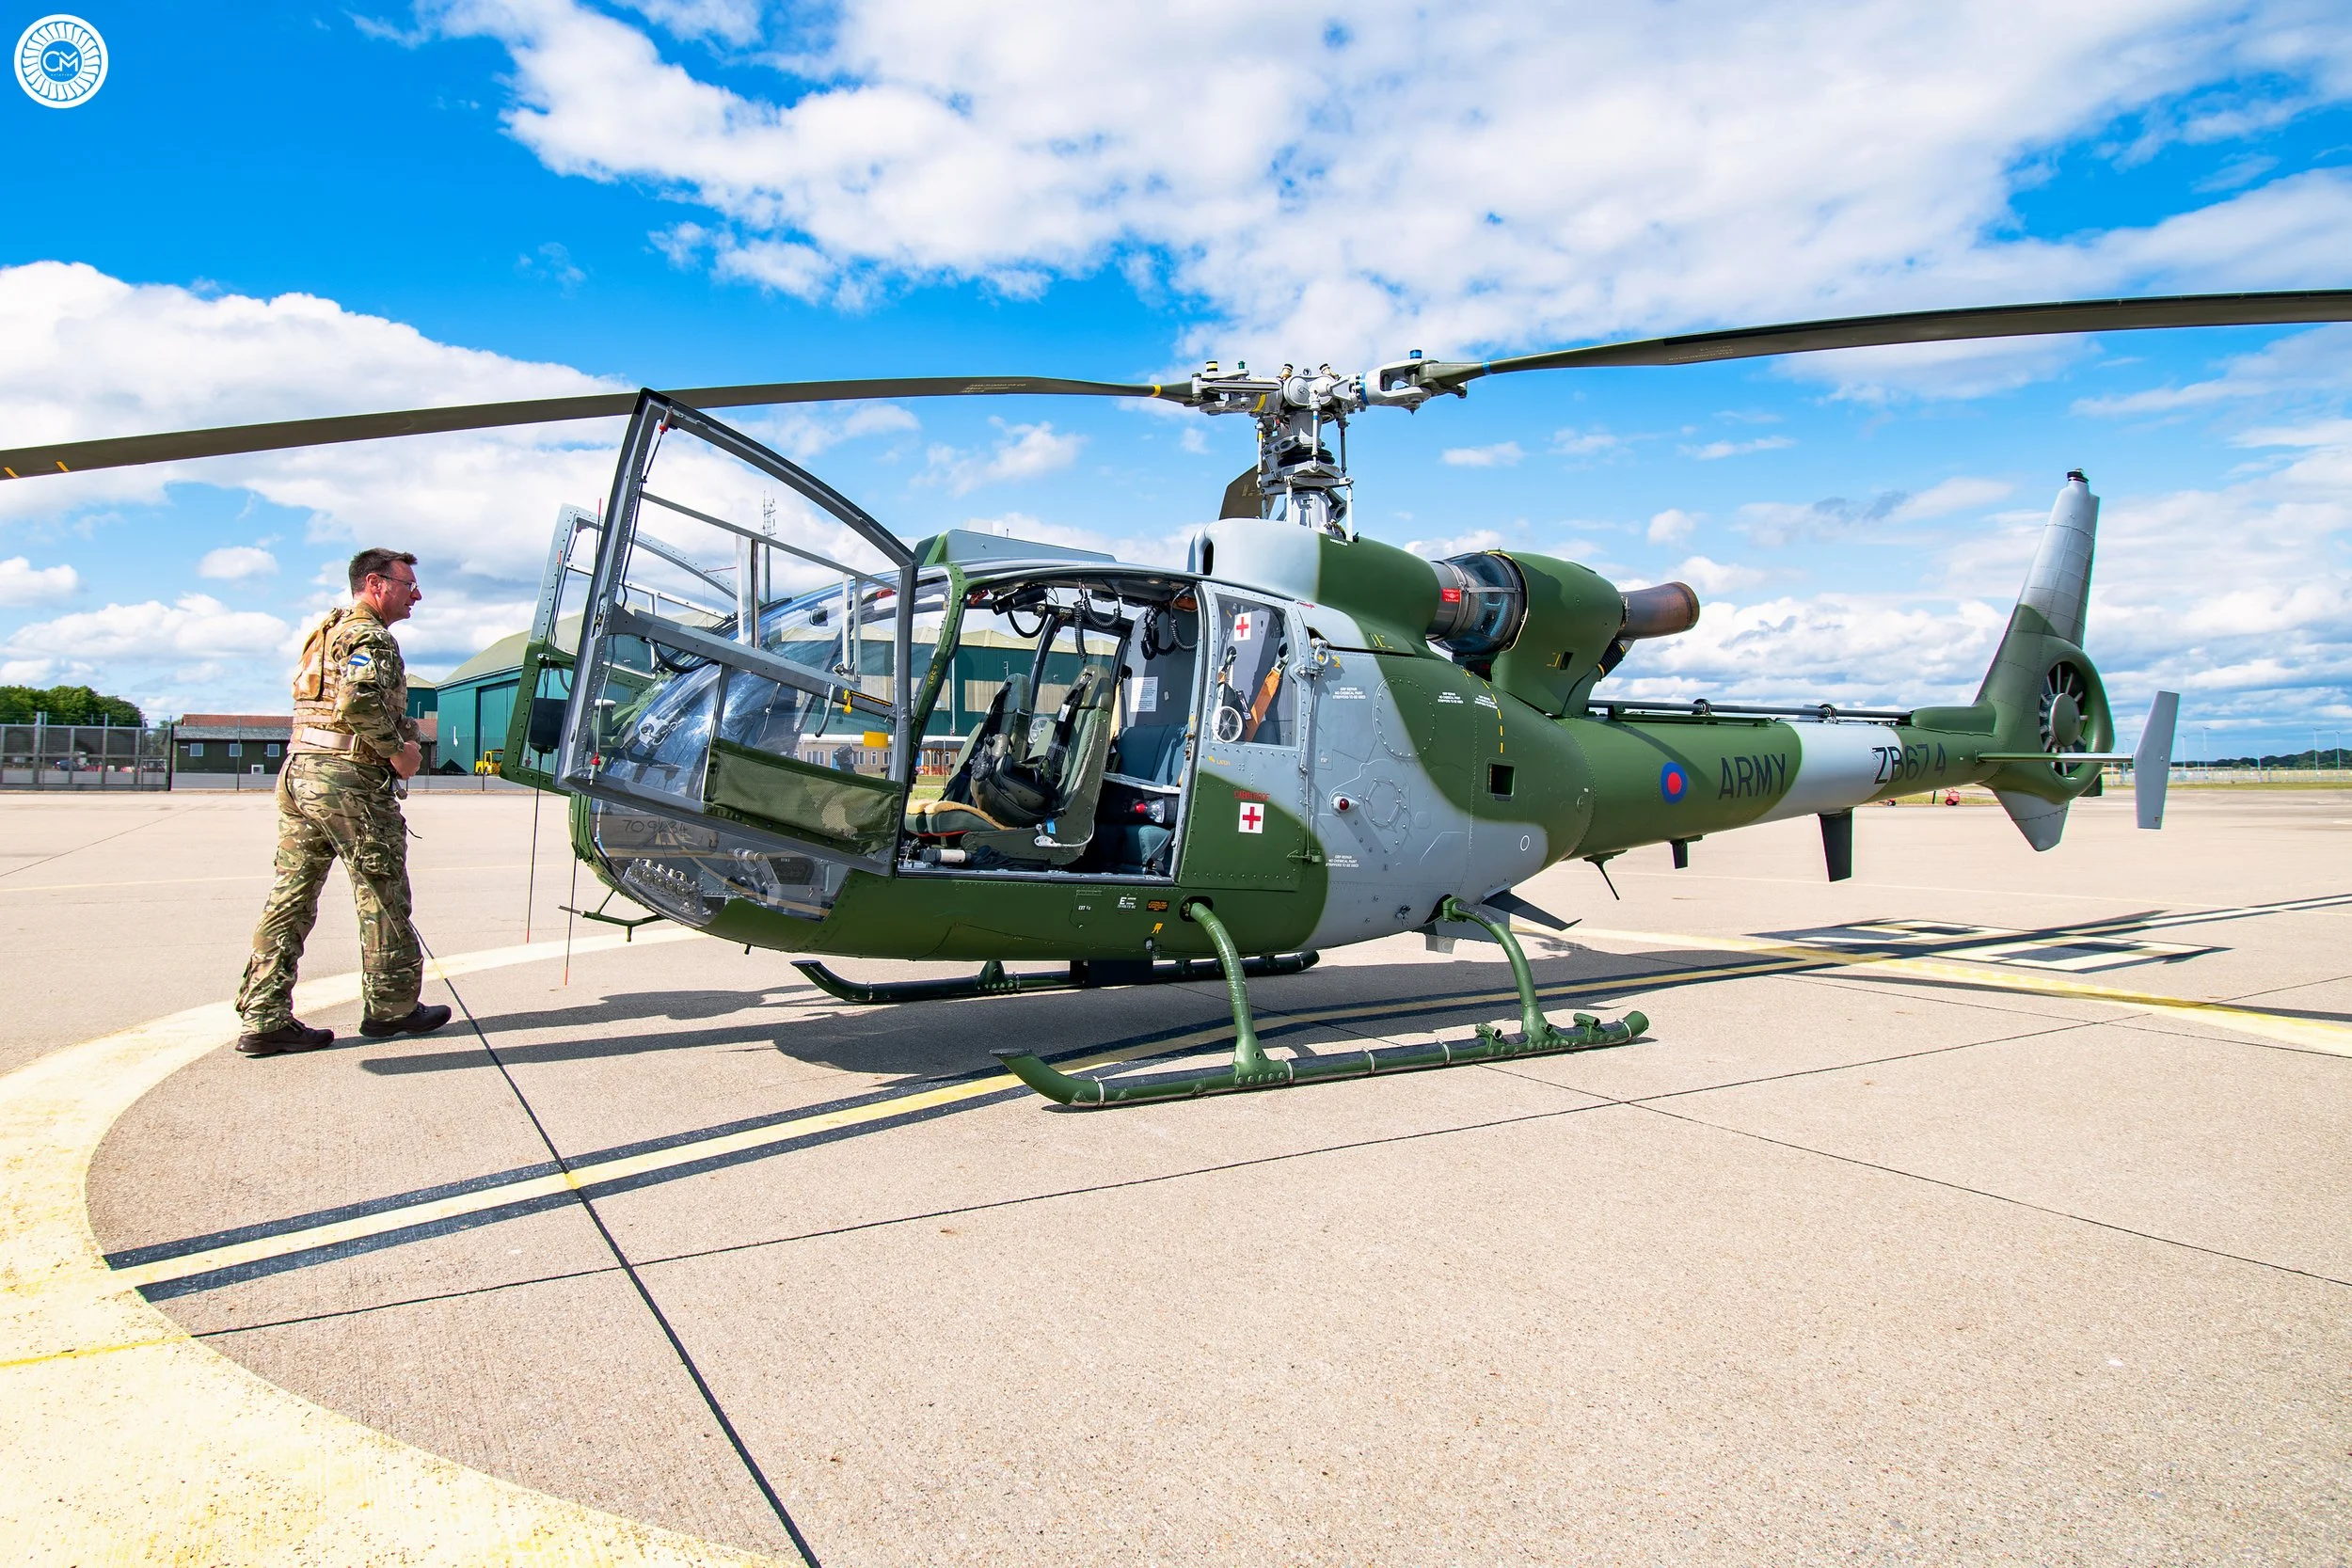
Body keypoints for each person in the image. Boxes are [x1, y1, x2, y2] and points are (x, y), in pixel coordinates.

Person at [232, 547, 453, 1055]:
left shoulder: (329, 630)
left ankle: (264, 1014)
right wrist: (399, 751)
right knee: (381, 889)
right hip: (345, 777)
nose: (416, 594)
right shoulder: (369, 635)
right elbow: (357, 700)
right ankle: (393, 1007)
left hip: (301, 772)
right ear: (376, 584)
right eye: (408, 584)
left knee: (290, 894)